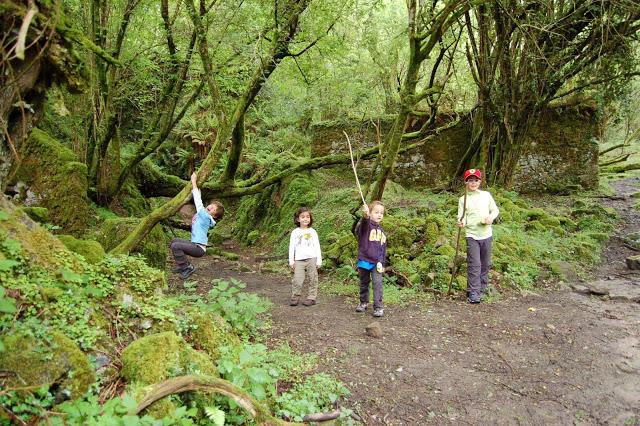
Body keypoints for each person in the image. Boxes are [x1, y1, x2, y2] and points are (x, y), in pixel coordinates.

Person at [170, 172, 225, 279]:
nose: (210, 207)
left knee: (175, 246)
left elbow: (198, 202)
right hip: (195, 245)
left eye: (214, 209)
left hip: (198, 249)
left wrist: (194, 182)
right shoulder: (204, 214)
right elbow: (200, 201)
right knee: (174, 241)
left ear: (214, 215)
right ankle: (183, 265)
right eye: (211, 205)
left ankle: (186, 268)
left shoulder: (205, 217)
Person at [457, 168, 499, 304]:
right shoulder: (463, 199)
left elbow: (495, 210)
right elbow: (461, 216)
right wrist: (462, 222)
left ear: (480, 181)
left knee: (485, 263)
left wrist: (491, 218)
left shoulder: (486, 195)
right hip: (472, 235)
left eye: (476, 180)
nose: (473, 183)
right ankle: (473, 292)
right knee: (475, 264)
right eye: (470, 180)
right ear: (466, 182)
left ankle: (482, 288)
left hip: (486, 234)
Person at [354, 201, 387, 317]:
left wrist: (382, 263)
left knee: (377, 284)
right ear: (370, 213)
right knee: (364, 283)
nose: (379, 215)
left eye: (381, 213)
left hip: (377, 263)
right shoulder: (366, 226)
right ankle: (363, 302)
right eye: (376, 212)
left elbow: (383, 249)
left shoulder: (382, 231)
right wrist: (366, 217)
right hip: (364, 260)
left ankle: (378, 307)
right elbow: (361, 227)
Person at [288, 207, 322, 306]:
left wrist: (319, 260)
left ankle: (311, 298)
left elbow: (317, 246)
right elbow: (291, 247)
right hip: (299, 260)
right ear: (298, 219)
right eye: (303, 217)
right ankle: (295, 297)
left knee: (313, 278)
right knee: (297, 279)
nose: (305, 219)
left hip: (312, 258)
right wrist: (291, 260)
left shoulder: (313, 232)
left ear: (310, 219)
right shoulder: (295, 232)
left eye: (307, 217)